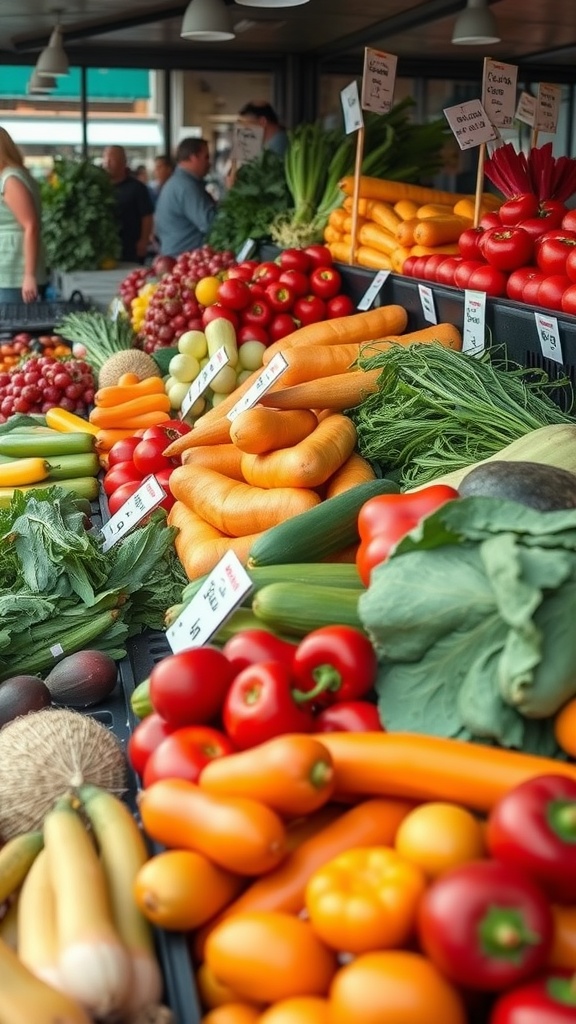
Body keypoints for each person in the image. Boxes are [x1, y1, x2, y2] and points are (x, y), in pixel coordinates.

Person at [0, 126, 47, 303]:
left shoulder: (10, 179)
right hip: (10, 271)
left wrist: (29, 276)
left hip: (15, 274)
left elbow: (31, 225)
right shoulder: (10, 175)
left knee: (13, 324)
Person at [153, 138, 217, 258]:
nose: (209, 163)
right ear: (193, 157)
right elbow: (211, 223)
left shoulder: (178, 183)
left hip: (177, 256)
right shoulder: (186, 186)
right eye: (206, 157)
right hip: (183, 260)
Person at [102, 145, 154, 264]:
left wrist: (144, 241)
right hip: (105, 247)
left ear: (123, 162)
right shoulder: (99, 188)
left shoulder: (137, 188)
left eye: (112, 160)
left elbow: (147, 216)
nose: (107, 164)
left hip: (131, 247)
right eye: (105, 160)